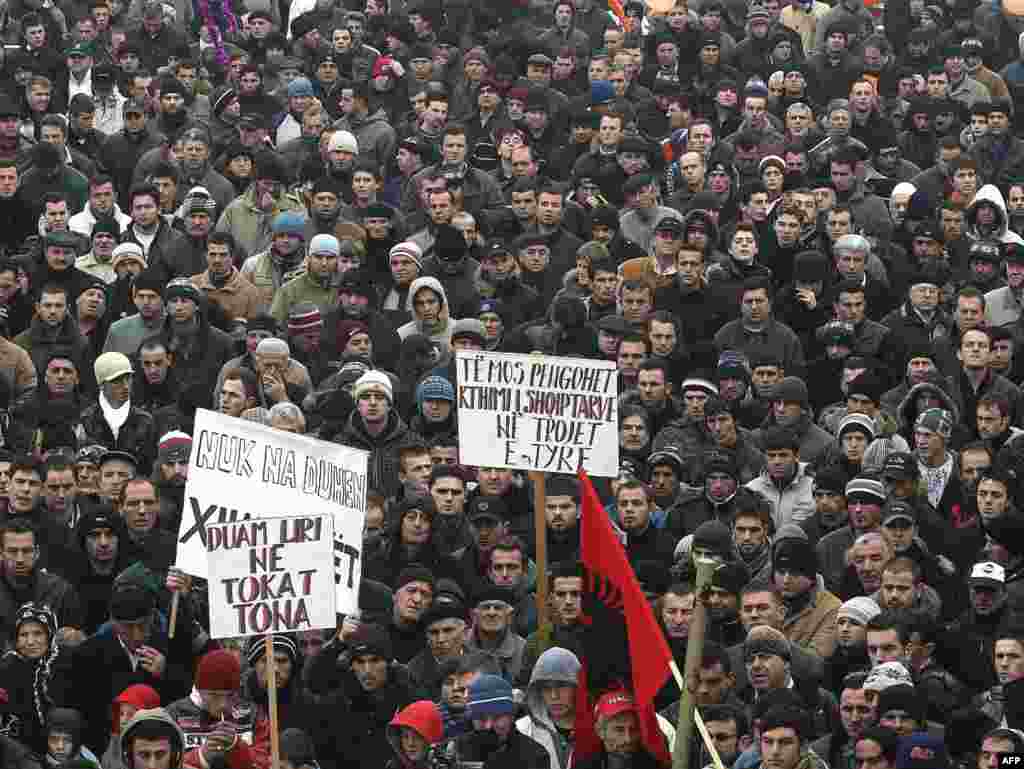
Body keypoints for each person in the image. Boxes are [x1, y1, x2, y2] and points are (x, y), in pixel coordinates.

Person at [458, 674, 551, 769]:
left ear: (511, 716)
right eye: (481, 718)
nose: (488, 726)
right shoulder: (458, 751)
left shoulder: (535, 756)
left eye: (497, 717)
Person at [515, 647, 580, 769]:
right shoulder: (522, 731)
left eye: (561, 686)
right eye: (546, 688)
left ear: (577, 687)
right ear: (537, 691)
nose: (554, 696)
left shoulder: (596, 728)